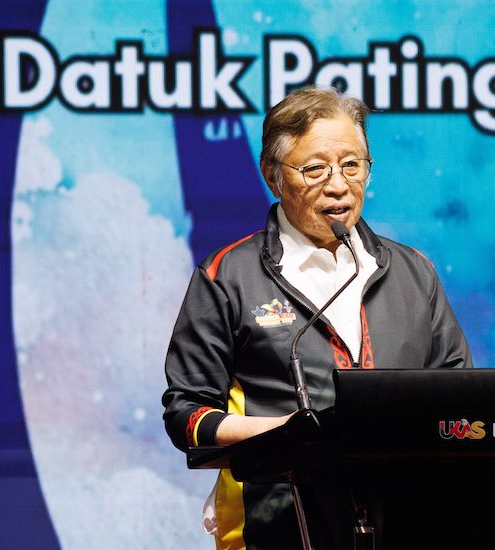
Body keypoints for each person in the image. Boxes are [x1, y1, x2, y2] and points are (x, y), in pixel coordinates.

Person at [162, 86, 472, 550]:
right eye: (314, 169)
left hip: (407, 520)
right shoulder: (227, 276)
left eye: (352, 165)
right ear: (273, 176)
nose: (338, 185)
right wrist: (291, 434)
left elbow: (460, 398)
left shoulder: (414, 272)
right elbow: (188, 415)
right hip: (277, 525)